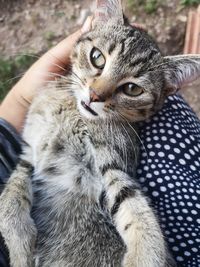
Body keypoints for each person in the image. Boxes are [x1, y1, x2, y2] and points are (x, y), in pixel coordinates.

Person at [0, 17, 199, 267]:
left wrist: (144, 243)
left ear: (166, 90)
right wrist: (11, 208)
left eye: (132, 89)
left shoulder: (117, 129)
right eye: (97, 59)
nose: (98, 93)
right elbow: (27, 162)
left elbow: (117, 185)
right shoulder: (47, 98)